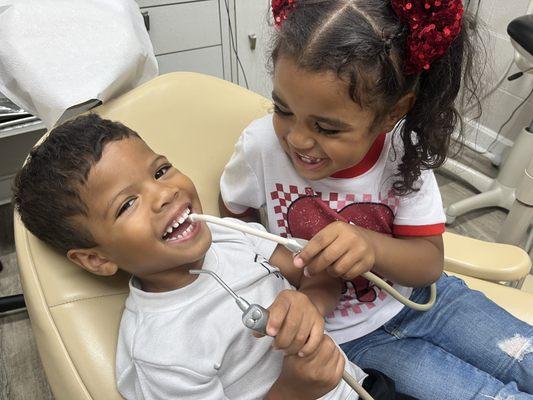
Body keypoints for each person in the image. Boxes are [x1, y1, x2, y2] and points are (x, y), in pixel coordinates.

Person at [219, 1, 533, 399]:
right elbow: (234, 229)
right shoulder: (260, 146)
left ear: (392, 113)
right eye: (283, 109)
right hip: (351, 341)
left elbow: (428, 263)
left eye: (326, 127)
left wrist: (369, 246)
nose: (297, 139)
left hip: (425, 302)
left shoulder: (402, 152)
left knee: (524, 356)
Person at [13, 114, 382, 400]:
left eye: (160, 170)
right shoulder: (160, 352)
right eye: (127, 204)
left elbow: (318, 277)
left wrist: (308, 304)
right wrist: (294, 391)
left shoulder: (228, 233)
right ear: (97, 260)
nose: (164, 193)